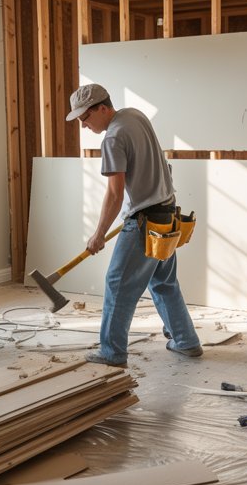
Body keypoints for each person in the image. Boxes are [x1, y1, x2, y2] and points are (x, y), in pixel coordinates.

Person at [67, 83, 203, 367]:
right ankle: (185, 341)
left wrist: (98, 234)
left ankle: (111, 352)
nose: (83, 125)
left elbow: (115, 194)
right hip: (166, 216)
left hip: (143, 222)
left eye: (85, 118)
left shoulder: (113, 138)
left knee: (117, 284)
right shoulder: (135, 115)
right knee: (164, 282)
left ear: (102, 108)